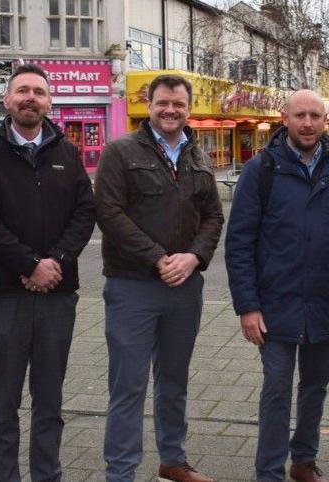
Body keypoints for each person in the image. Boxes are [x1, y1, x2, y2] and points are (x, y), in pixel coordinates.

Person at [225, 89, 329, 482]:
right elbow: (239, 241)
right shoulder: (262, 170)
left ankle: (304, 461)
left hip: (324, 300)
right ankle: (269, 471)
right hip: (274, 304)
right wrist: (247, 306)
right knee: (276, 388)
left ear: (325, 121)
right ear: (284, 119)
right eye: (300, 115)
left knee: (315, 386)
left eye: (315, 116)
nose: (308, 123)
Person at [0, 63, 96, 482]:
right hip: (4, 293)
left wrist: (54, 262)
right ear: (7, 99)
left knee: (49, 400)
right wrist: (29, 265)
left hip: (57, 294)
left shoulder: (67, 152)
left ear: (49, 101)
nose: (30, 98)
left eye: (39, 92)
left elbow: (84, 213)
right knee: (4, 401)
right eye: (22, 90)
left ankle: (47, 475)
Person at [94, 74, 224, 482]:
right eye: (163, 102)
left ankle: (173, 459)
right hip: (132, 286)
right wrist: (158, 258)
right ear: (149, 105)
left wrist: (194, 257)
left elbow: (214, 216)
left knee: (174, 381)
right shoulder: (120, 152)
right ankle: (121, 472)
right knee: (128, 386)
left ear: (189, 108)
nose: (171, 110)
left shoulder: (198, 157)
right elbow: (109, 213)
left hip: (184, 288)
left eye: (179, 104)